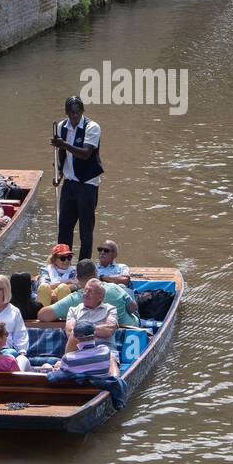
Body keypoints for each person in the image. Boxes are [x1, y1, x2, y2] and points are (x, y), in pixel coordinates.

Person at [51, 96, 103, 261]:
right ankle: (63, 265)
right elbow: (61, 154)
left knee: (85, 231)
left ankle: (83, 267)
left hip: (87, 184)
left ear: (82, 111)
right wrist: (59, 174)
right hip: (70, 183)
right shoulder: (61, 126)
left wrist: (63, 144)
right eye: (71, 113)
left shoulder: (92, 127)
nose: (75, 116)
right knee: (64, 228)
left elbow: (86, 154)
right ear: (66, 112)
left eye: (78, 112)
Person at [39, 260, 140, 327]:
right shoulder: (115, 288)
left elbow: (43, 315)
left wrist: (64, 314)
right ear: (96, 273)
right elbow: (133, 308)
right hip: (130, 327)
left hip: (98, 333)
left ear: (77, 278)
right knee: (126, 290)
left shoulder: (75, 299)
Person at [43, 320, 117, 378]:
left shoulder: (68, 358)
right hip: (98, 389)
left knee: (46, 366)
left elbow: (60, 375)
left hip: (76, 391)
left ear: (74, 337)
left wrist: (54, 367)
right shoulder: (105, 350)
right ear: (94, 335)